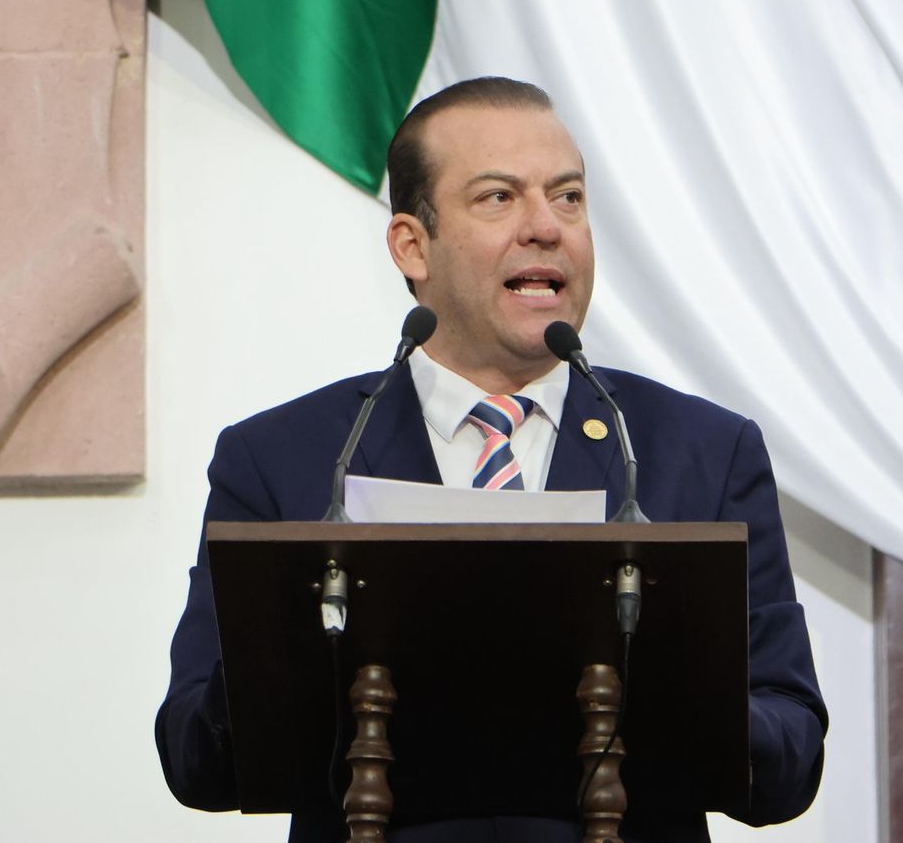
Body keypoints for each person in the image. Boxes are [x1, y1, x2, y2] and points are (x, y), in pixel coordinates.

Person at [157, 77, 826, 843]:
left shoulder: (701, 451)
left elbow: (791, 760)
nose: (546, 227)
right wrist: (294, 658)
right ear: (413, 245)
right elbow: (194, 759)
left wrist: (688, 694)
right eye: (499, 197)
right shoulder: (285, 459)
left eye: (568, 197)